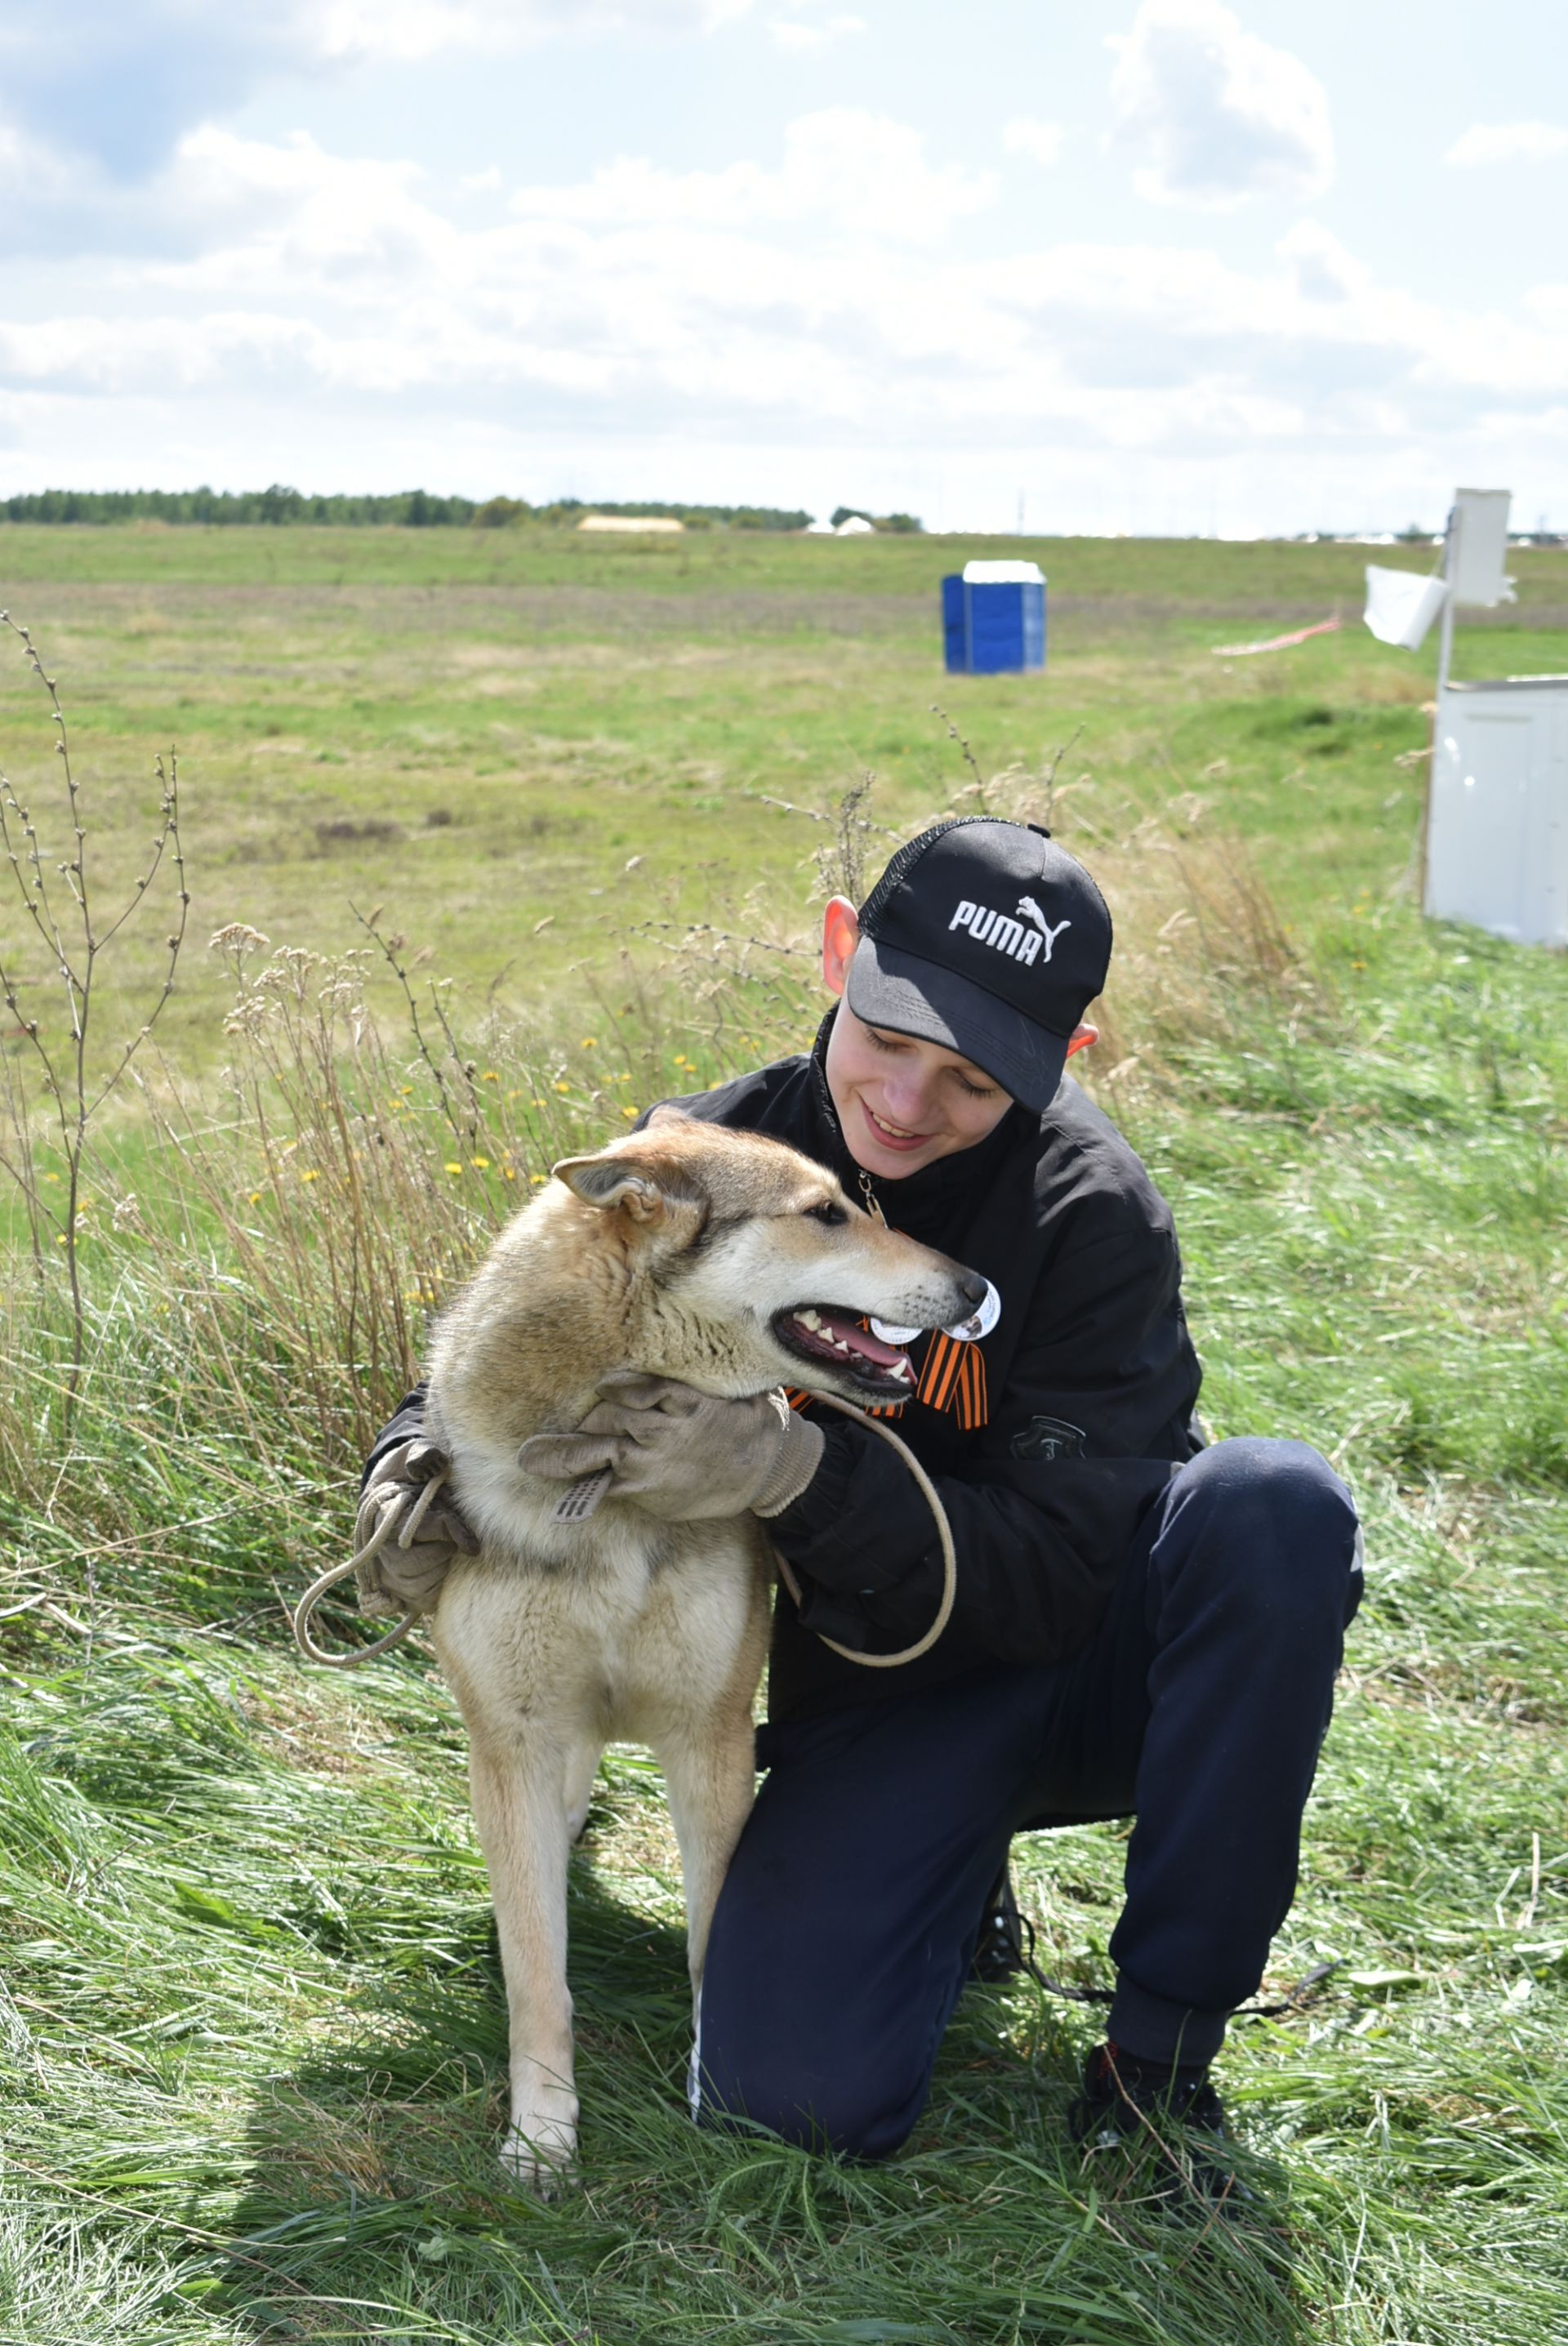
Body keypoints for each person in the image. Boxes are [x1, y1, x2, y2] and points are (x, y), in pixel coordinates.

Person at [360, 818, 1361, 2194]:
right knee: (799, 2106)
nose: (905, 1100)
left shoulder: (1093, 1212)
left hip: (1076, 1664)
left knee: (1277, 1507)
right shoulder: (726, 1148)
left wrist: (791, 1473)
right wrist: (417, 1448)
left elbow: (1067, 1571)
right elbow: (551, 1303)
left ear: (1060, 1063)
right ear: (841, 951)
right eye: (887, 1033)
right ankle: (944, 1886)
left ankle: (1160, 2061)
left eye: (969, 1079)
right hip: (883, 1698)